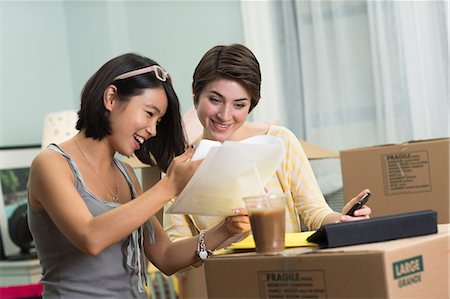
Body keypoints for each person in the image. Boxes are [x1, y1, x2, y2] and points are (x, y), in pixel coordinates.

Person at [27, 53, 250, 298]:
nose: (153, 130)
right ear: (111, 98)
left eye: (159, 120)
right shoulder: (51, 165)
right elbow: (91, 237)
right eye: (148, 113)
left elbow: (165, 256)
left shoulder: (126, 175)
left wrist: (226, 229)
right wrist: (169, 186)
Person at [163, 44, 371, 245]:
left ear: (251, 105)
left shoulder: (279, 142)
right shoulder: (181, 167)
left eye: (239, 105)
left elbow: (315, 212)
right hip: (226, 276)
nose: (225, 115)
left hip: (287, 273)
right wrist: (223, 233)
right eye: (215, 100)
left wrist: (341, 220)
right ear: (195, 92)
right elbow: (177, 248)